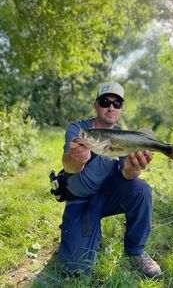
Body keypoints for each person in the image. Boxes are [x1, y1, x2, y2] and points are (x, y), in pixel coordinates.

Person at [59, 81, 163, 279]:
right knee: (77, 269)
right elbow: (69, 166)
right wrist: (75, 158)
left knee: (141, 188)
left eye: (117, 104)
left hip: (107, 197)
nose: (111, 107)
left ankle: (136, 251)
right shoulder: (79, 129)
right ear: (96, 104)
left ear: (121, 109)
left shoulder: (125, 137)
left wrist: (133, 170)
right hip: (80, 201)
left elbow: (127, 175)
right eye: (105, 101)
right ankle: (80, 233)